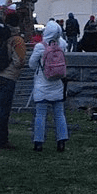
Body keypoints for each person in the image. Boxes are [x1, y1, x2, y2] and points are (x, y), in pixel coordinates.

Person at [28, 21, 69, 152]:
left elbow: (31, 64)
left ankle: (38, 142)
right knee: (59, 114)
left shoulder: (40, 47)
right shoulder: (62, 44)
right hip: (57, 84)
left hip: (42, 84)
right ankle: (61, 141)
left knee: (40, 114)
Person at [0, 11, 26, 150]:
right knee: (4, 109)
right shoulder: (17, 40)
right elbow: (19, 61)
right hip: (8, 77)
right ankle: (2, 140)